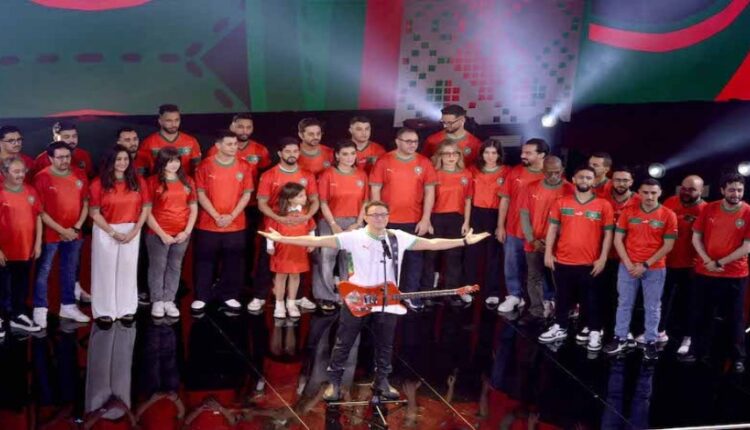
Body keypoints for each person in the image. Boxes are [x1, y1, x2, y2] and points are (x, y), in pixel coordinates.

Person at [257, 200, 490, 401]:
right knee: (344, 343)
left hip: (386, 300)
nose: (380, 218)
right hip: (357, 298)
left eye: (383, 214)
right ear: (366, 217)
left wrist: (465, 242)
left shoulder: (397, 237)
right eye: (375, 214)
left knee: (385, 344)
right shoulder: (353, 237)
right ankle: (334, 382)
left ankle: (382, 382)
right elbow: (319, 242)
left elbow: (432, 244)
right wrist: (283, 239)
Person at [538, 167, 614, 352]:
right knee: (562, 297)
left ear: (594, 181)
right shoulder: (561, 202)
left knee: (591, 299)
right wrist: (548, 253)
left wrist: (603, 258)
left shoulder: (603, 205)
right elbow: (552, 229)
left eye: (588, 177)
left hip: (590, 262)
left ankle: (594, 331)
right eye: (581, 177)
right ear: (573, 179)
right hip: (563, 260)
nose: (584, 180)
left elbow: (608, 234)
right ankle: (560, 326)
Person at [683, 173, 750, 373]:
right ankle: (696, 352)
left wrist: (720, 262)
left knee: (735, 318)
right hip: (705, 272)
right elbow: (696, 237)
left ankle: (737, 357)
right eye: (731, 190)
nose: (736, 194)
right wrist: (707, 261)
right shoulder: (709, 208)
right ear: (722, 190)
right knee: (701, 314)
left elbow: (747, 247)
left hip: (735, 274)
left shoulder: (748, 212)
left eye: (739, 190)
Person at [604, 179, 677, 360]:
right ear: (639, 193)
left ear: (660, 193)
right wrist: (629, 264)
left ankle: (650, 340)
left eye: (653, 193)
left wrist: (645, 265)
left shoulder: (668, 215)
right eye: (645, 192)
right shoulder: (628, 212)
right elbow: (617, 240)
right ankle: (620, 337)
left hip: (654, 268)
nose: (649, 196)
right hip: (628, 267)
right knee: (624, 303)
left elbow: (668, 245)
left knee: (652, 306)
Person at [370, 127, 438, 310]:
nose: (412, 145)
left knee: (415, 259)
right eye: (408, 141)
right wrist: (377, 216)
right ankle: (386, 295)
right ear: (397, 142)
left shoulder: (424, 162)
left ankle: (410, 295)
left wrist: (426, 219)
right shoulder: (384, 161)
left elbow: (430, 191)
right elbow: (375, 190)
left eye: (415, 141)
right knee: (386, 259)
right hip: (388, 220)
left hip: (414, 219)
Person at [251, 137, 319, 312]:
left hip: (299, 226)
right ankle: (260, 296)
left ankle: (297, 298)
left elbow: (314, 200)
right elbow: (262, 203)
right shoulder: (269, 175)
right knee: (267, 262)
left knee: (298, 264)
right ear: (280, 153)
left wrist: (307, 217)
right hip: (275, 226)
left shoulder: (307, 175)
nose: (292, 154)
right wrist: (278, 218)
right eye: (288, 151)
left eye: (295, 151)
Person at [207, 113, 271, 293]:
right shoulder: (215, 150)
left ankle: (243, 280)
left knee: (247, 245)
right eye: (241, 126)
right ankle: (215, 280)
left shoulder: (260, 150)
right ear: (232, 126)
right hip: (220, 207)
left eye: (248, 127)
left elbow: (265, 177)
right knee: (218, 246)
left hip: (249, 206)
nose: (244, 131)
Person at [192, 130, 254, 313]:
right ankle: (202, 296)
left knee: (233, 262)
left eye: (235, 144)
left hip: (235, 224)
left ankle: (229, 295)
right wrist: (216, 216)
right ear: (218, 146)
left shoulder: (244, 166)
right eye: (229, 144)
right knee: (205, 261)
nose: (234, 147)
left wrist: (231, 216)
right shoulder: (205, 165)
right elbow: (200, 193)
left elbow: (247, 194)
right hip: (208, 223)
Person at [88, 145, 151, 323]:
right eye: (118, 159)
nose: (122, 163)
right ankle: (104, 310)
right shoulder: (98, 183)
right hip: (106, 229)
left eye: (125, 159)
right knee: (105, 270)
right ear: (110, 161)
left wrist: (135, 230)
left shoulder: (138, 181)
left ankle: (126, 308)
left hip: (131, 229)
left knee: (128, 270)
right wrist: (112, 232)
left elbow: (146, 207)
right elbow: (94, 212)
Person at [32, 142, 91, 328]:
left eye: (67, 156)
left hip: (74, 233)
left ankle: (68, 306)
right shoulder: (41, 178)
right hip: (50, 234)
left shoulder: (79, 174)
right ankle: (40, 308)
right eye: (60, 157)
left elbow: (86, 203)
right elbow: (40, 211)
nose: (64, 160)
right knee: (44, 271)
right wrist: (62, 230)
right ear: (50, 158)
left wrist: (76, 228)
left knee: (70, 270)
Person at [313, 140, 368, 311]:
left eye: (352, 153)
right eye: (345, 154)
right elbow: (323, 202)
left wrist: (358, 223)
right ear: (337, 155)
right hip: (330, 221)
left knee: (350, 260)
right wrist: (333, 224)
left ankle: (349, 294)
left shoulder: (361, 175)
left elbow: (366, 201)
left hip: (354, 222)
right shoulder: (327, 174)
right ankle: (326, 296)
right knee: (326, 259)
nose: (350, 157)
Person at [496, 138, 548, 313]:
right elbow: (505, 200)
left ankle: (544, 300)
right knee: (511, 265)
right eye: (522, 152)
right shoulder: (515, 172)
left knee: (539, 270)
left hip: (538, 233)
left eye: (528, 153)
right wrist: (500, 226)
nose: (522, 155)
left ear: (541, 155)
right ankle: (514, 296)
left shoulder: (550, 175)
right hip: (513, 230)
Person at [519, 156, 573, 323]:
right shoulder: (531, 187)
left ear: (562, 170)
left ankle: (561, 313)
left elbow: (571, 220)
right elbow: (524, 215)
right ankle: (536, 310)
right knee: (534, 277)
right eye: (549, 173)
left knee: (560, 279)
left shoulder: (570, 189)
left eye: (557, 172)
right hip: (534, 243)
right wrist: (532, 239)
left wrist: (553, 242)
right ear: (543, 171)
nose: (553, 176)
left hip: (559, 244)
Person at [146, 147, 198, 318]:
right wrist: (162, 234)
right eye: (169, 161)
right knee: (158, 267)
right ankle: (157, 300)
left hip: (181, 233)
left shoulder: (187, 181)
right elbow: (146, 212)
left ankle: (169, 300)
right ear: (162, 162)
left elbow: (193, 207)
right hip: (158, 233)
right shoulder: (152, 182)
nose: (174, 164)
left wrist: (186, 232)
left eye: (176, 160)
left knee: (175, 267)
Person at [421, 140, 473, 305]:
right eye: (447, 153)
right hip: (436, 217)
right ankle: (427, 291)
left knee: (454, 257)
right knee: (431, 256)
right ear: (440, 156)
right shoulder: (433, 174)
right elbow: (426, 199)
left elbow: (468, 200)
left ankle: (452, 292)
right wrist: (427, 220)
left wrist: (466, 222)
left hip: (456, 219)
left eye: (455, 153)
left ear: (459, 156)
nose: (451, 157)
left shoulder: (466, 175)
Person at [663, 175, 706, 355]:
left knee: (689, 304)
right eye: (684, 188)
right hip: (666, 262)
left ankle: (688, 337)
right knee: (662, 300)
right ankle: (659, 332)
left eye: (692, 189)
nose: (687, 192)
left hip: (691, 266)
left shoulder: (705, 209)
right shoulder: (670, 202)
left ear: (701, 191)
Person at [0, 157, 43, 336]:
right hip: (5, 252)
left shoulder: (30, 190)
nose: (21, 175)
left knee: (21, 284)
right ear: (4, 173)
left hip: (25, 249)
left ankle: (18, 316)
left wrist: (38, 243)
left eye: (22, 171)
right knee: (3, 286)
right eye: (16, 171)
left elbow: (38, 216)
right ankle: (1, 318)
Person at [464, 139, 508, 305]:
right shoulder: (472, 170)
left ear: (499, 154)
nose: (490, 156)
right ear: (481, 154)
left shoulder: (506, 172)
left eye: (494, 153)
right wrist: (467, 221)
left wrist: (500, 225)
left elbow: (506, 199)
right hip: (475, 214)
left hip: (495, 215)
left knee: (493, 255)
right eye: (487, 152)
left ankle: (493, 291)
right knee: (471, 253)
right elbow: (467, 197)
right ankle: (468, 288)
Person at [266, 183, 316, 318]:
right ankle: (279, 304)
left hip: (299, 250)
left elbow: (311, 228)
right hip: (282, 250)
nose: (305, 198)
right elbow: (270, 230)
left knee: (295, 275)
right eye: (301, 196)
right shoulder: (278, 212)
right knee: (281, 276)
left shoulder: (305, 212)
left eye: (304, 195)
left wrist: (312, 242)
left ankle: (291, 303)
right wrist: (270, 245)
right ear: (290, 198)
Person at [137, 104, 202, 176]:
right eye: (169, 121)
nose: (173, 124)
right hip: (157, 182)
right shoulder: (148, 143)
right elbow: (140, 172)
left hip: (185, 182)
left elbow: (198, 171)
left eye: (176, 120)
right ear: (160, 121)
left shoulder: (191, 142)